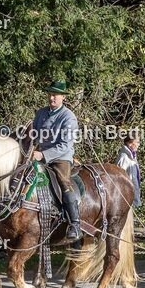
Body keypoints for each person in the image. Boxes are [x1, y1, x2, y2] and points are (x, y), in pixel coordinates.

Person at [31, 80, 82, 247]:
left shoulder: (68, 117)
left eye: (55, 95)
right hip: (38, 154)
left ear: (63, 97)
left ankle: (75, 223)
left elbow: (65, 145)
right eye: (50, 94)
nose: (52, 98)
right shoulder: (41, 113)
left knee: (63, 182)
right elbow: (33, 135)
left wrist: (42, 154)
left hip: (61, 157)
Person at [115, 134, 143, 207]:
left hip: (133, 196)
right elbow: (118, 180)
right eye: (137, 142)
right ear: (130, 143)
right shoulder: (123, 157)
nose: (138, 145)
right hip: (126, 199)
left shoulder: (132, 157)